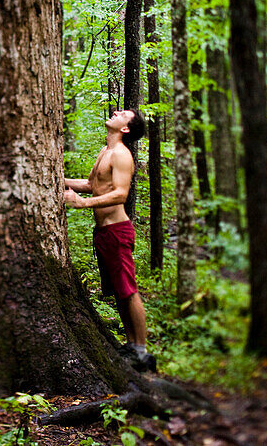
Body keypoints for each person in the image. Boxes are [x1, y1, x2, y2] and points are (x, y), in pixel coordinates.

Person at [64, 108, 156, 371]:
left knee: (128, 290)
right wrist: (54, 179)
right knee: (118, 290)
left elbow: (119, 194)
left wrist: (82, 204)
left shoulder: (122, 155)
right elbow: (92, 184)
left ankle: (141, 352)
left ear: (126, 129)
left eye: (123, 114)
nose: (116, 112)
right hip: (103, 232)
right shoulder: (105, 152)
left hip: (118, 230)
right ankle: (130, 344)